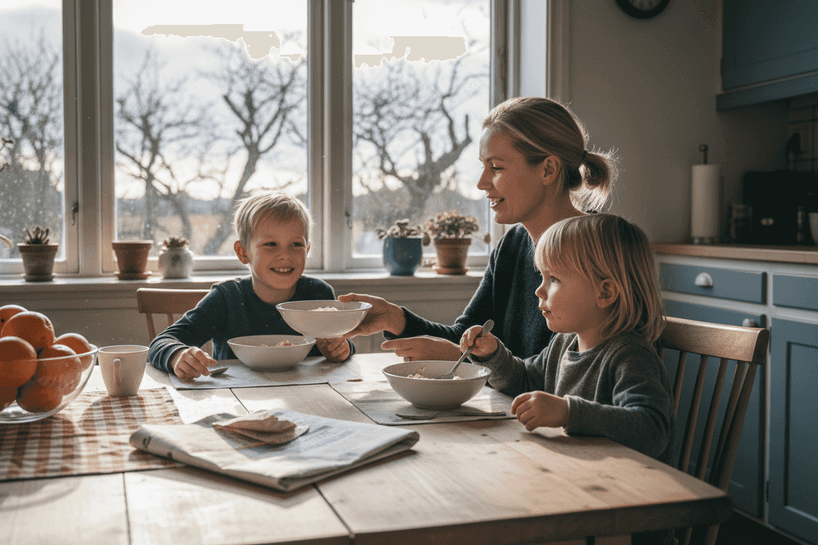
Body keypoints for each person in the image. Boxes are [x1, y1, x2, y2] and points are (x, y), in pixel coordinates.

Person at [339, 96, 617, 362]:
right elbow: (466, 338)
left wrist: (471, 362)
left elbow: (567, 375)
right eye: (483, 166)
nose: (482, 183)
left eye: (496, 167)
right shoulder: (513, 245)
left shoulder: (599, 250)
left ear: (548, 169)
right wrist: (395, 318)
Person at [460, 214, 674, 545]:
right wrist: (492, 355)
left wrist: (568, 412)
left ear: (605, 293)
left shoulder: (630, 355)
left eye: (554, 279)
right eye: (541, 276)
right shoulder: (564, 343)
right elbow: (525, 379)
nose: (539, 289)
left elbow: (652, 429)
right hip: (576, 495)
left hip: (620, 521)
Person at [148, 192, 354, 380]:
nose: (285, 255)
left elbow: (342, 343)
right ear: (243, 252)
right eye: (270, 244)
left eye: (296, 244)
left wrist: (340, 349)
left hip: (310, 396)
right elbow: (161, 342)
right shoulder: (226, 298)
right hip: (237, 398)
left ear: (307, 250)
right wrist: (177, 356)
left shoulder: (318, 294)